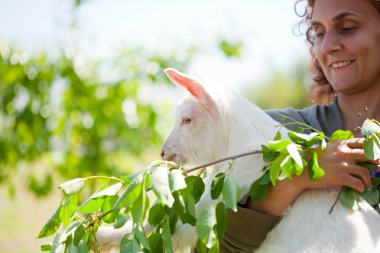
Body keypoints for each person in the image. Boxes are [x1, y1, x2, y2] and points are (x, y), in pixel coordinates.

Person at [221, 0, 380, 252]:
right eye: (318, 33)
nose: (327, 46)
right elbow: (212, 245)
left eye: (347, 27)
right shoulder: (275, 131)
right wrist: (301, 176)